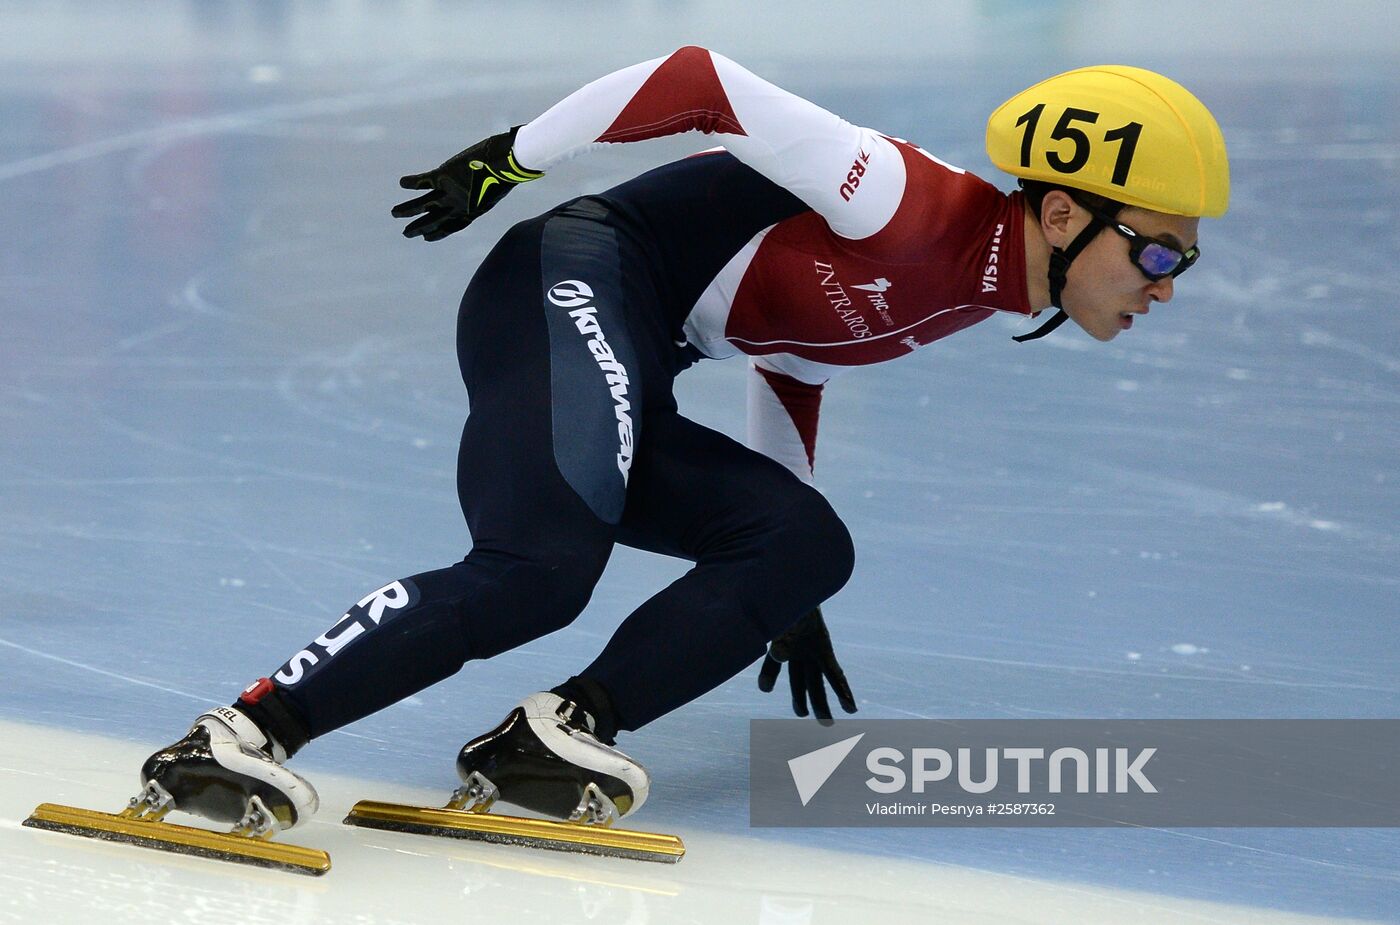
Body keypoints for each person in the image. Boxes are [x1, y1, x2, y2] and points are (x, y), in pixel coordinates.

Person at [136, 49, 1229, 835]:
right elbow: (700, 81)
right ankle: (239, 733)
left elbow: (793, 359)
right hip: (565, 280)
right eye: (1159, 257)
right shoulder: (900, 197)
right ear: (1058, 216)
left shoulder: (964, 294)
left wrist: (778, 581)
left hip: (632, 346)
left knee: (808, 546)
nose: (1164, 289)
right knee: (538, 573)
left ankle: (552, 732)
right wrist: (512, 159)